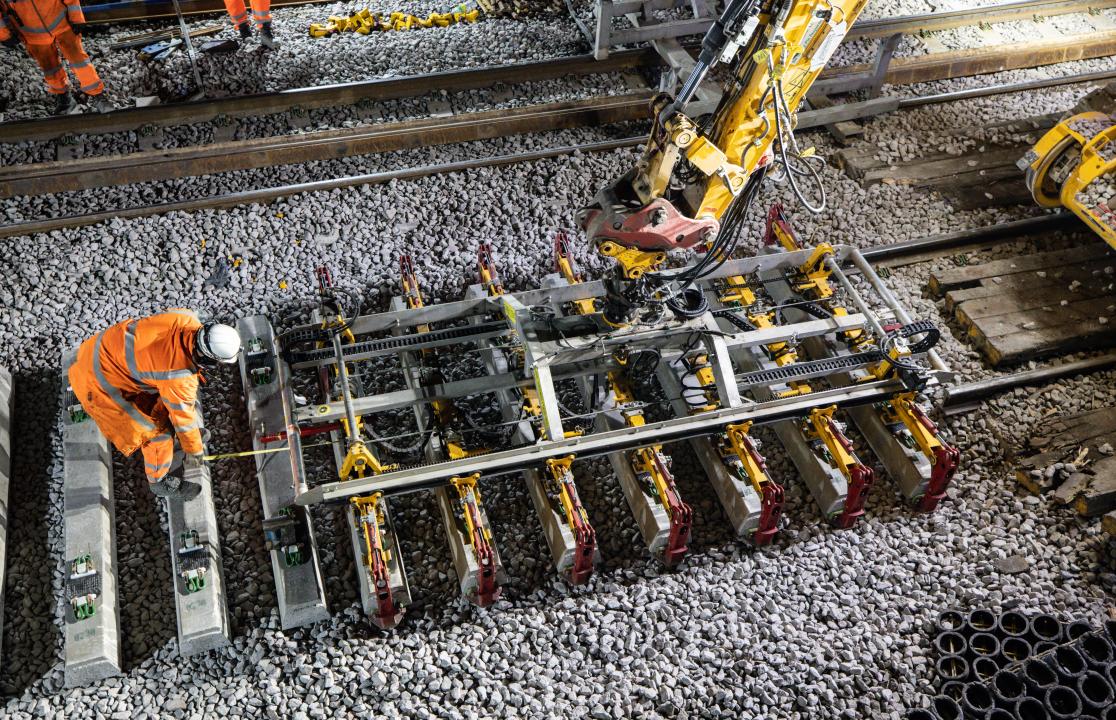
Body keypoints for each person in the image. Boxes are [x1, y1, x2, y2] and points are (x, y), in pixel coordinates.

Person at [67, 310, 242, 501]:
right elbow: (184, 419)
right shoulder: (178, 377)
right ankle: (159, 481)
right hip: (98, 384)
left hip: (96, 350)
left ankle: (184, 442)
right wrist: (194, 451)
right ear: (209, 358)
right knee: (156, 428)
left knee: (165, 403)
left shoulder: (185, 318)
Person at [0, 0, 111, 114]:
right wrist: (4, 35)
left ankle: (97, 94)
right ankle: (64, 97)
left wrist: (76, 18)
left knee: (79, 61)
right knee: (50, 68)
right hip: (33, 34)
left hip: (62, 23)